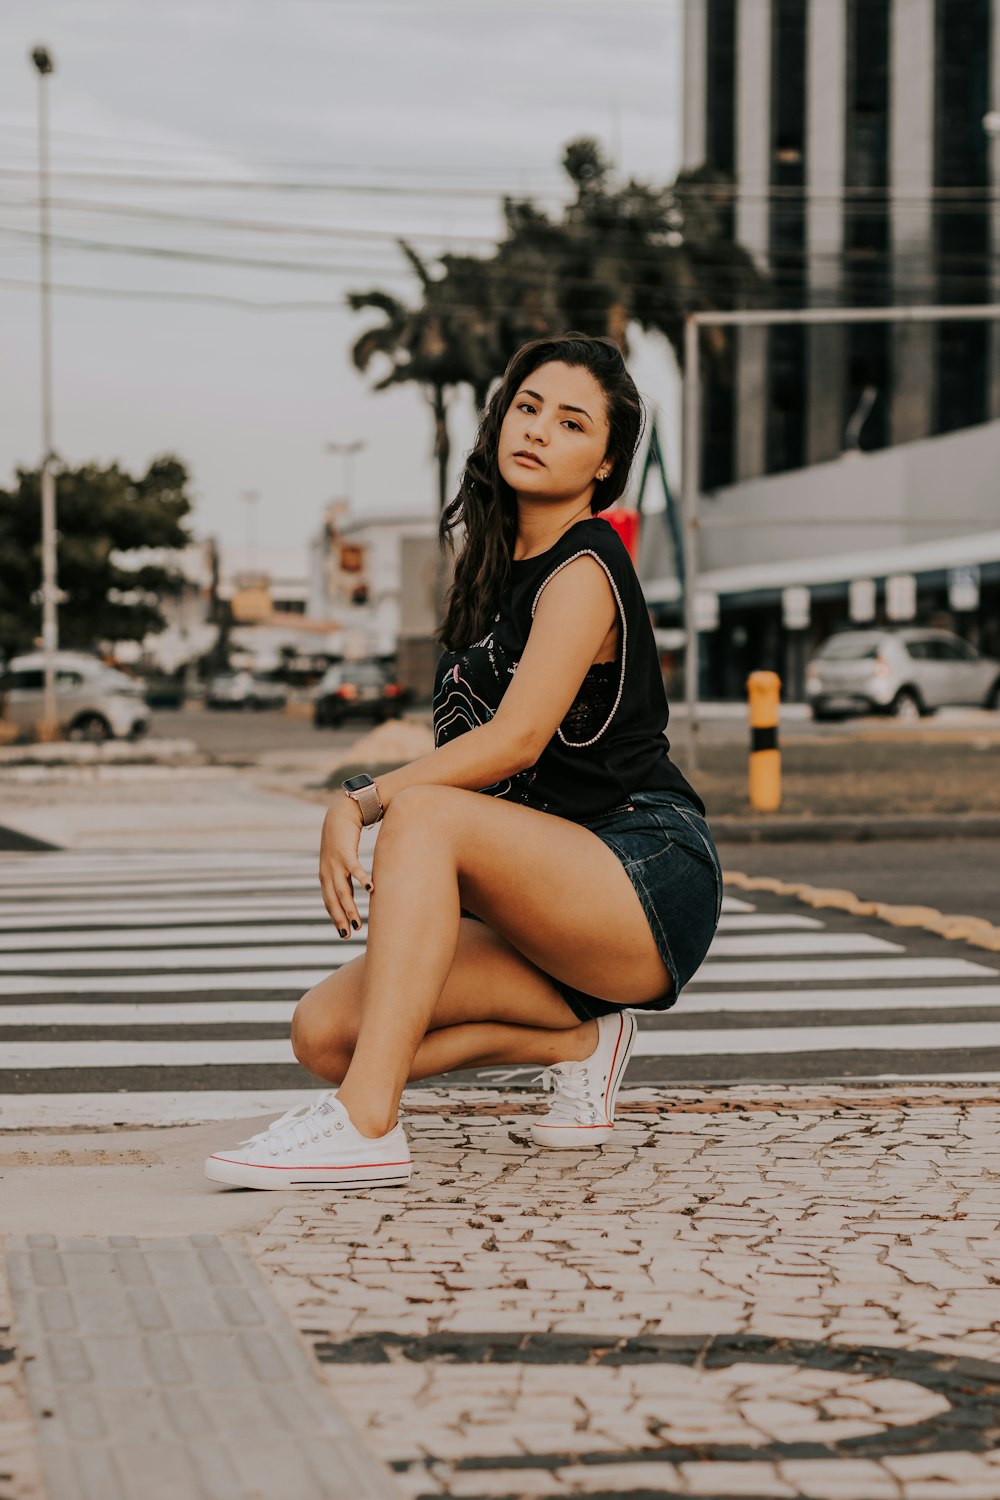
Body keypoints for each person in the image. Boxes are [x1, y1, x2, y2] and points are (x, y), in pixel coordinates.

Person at [204, 333, 722, 1191]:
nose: (539, 430)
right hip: (538, 895)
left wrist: (360, 802)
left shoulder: (587, 564)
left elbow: (514, 741)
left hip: (643, 872)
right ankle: (582, 1037)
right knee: (324, 1035)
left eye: (570, 422)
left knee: (426, 812)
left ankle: (368, 1124)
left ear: (604, 464)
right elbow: (474, 761)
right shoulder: (493, 575)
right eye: (527, 408)